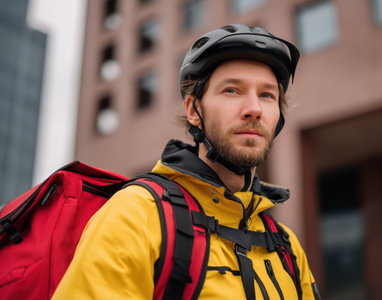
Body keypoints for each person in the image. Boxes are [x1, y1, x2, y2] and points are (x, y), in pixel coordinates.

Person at [53, 24, 320, 300]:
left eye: (267, 95)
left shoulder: (287, 247)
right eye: (232, 90)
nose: (254, 109)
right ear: (194, 110)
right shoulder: (136, 214)